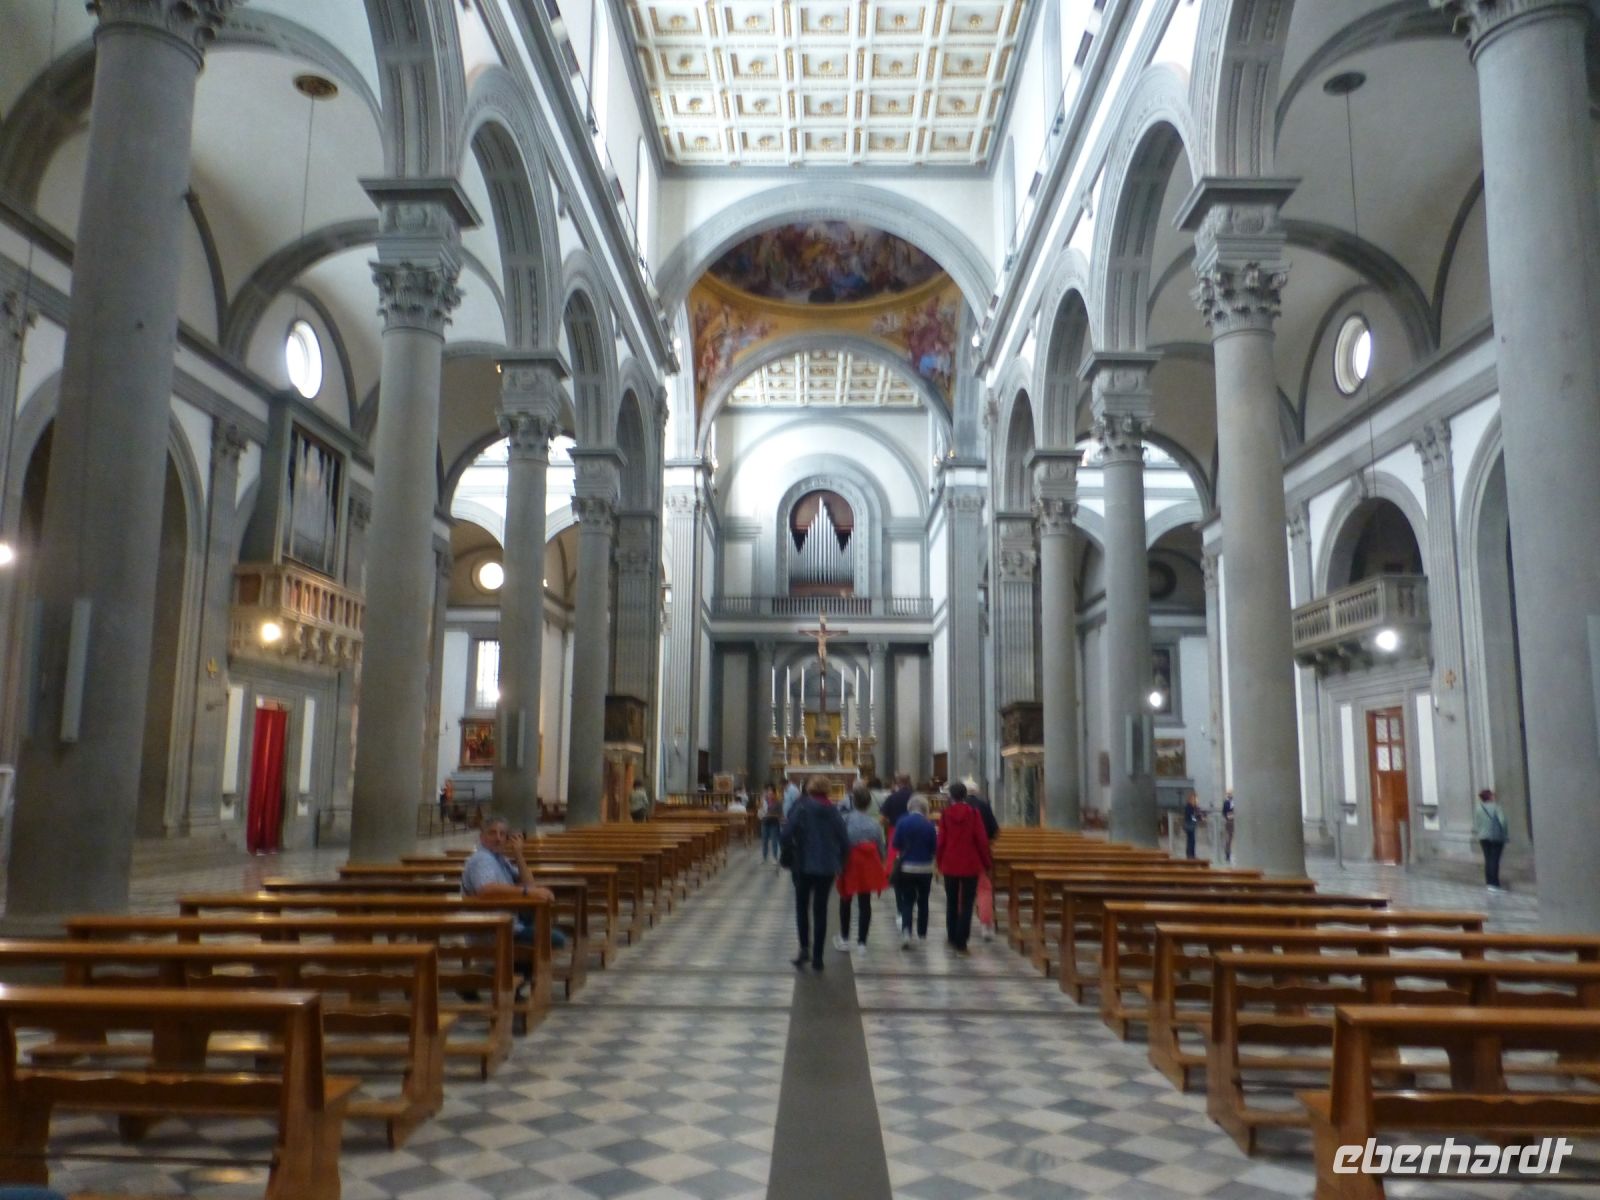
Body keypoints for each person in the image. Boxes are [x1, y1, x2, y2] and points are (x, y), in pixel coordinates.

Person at [460, 815, 564, 952]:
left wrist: (518, 854)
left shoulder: (500, 859)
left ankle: (523, 966)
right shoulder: (482, 859)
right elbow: (486, 889)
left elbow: (530, 884)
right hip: (493, 927)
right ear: (482, 837)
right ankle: (514, 967)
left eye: (502, 834)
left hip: (506, 920)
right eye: (492, 833)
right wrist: (527, 892)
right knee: (556, 939)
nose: (498, 838)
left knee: (539, 918)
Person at [781, 776, 850, 970]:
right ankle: (818, 957)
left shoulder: (801, 808)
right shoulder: (834, 811)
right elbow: (844, 840)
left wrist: (790, 849)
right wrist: (842, 863)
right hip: (827, 866)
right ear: (828, 790)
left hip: (802, 864)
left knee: (802, 907)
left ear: (810, 789)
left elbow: (786, 833)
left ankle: (804, 949)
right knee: (821, 910)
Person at [936, 781, 991, 955]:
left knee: (951, 901)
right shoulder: (973, 814)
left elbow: (941, 841)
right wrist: (986, 862)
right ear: (965, 795)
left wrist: (939, 861)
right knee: (967, 904)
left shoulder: (945, 815)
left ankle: (952, 936)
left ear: (951, 796)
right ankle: (962, 941)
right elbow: (981, 840)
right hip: (970, 863)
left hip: (950, 863)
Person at [835, 783, 888, 952]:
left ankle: (844, 938)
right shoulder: (874, 824)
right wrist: (880, 861)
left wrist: (838, 863)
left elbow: (840, 843)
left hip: (849, 863)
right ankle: (862, 942)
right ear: (868, 804)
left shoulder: (846, 820)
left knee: (846, 900)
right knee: (865, 903)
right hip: (867, 865)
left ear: (853, 801)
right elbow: (881, 849)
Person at [891, 795, 937, 948]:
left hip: (907, 867)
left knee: (907, 900)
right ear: (925, 809)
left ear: (909, 807)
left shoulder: (902, 822)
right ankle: (922, 933)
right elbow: (934, 848)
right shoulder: (929, 825)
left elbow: (896, 843)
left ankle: (906, 932)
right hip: (925, 868)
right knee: (923, 900)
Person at [962, 777, 1001, 941]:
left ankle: (960, 923)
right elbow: (994, 830)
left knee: (959, 890)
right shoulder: (984, 806)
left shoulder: (957, 807)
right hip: (980, 853)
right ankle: (986, 925)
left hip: (961, 854)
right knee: (983, 890)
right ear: (976, 791)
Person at [1473, 787, 1510, 891]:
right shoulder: (1496, 807)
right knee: (1494, 860)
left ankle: (1489, 882)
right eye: (1492, 794)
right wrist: (1505, 834)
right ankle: (1494, 884)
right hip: (1495, 836)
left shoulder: (1478, 808)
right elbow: (1503, 821)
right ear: (1489, 796)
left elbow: (1476, 824)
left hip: (1483, 837)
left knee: (1488, 859)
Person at [759, 783, 783, 864]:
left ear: (774, 794)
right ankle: (764, 857)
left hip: (774, 823)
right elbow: (760, 811)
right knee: (764, 841)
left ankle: (774, 857)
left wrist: (772, 815)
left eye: (771, 793)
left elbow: (780, 814)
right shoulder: (763, 801)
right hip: (765, 823)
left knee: (774, 841)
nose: (769, 795)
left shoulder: (778, 802)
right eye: (768, 793)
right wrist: (761, 813)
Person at [1182, 792, 1203, 860]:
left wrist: (1198, 817)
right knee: (1191, 840)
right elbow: (1190, 816)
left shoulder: (1194, 806)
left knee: (1192, 840)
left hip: (1192, 824)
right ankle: (1190, 855)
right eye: (1195, 798)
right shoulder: (1189, 806)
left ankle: (1192, 854)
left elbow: (1196, 814)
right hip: (1189, 824)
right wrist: (1195, 819)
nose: (1196, 800)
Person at [1221, 792, 1236, 863]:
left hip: (1236, 821)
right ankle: (1227, 854)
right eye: (1229, 794)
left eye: (1231, 794)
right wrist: (1227, 817)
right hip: (1230, 822)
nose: (1230, 795)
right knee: (1228, 839)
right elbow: (1223, 812)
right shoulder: (1226, 803)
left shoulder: (1236, 802)